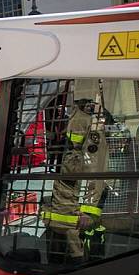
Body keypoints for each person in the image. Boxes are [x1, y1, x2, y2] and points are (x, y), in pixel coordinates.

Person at [42, 97, 108, 264]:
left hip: (74, 200)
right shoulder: (79, 118)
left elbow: (93, 168)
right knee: (65, 239)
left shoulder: (85, 122)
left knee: (74, 243)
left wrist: (88, 209)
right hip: (67, 193)